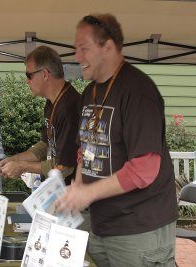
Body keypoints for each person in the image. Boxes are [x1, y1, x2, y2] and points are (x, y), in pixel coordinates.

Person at [55, 14, 178, 266]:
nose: (77, 57)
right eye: (76, 49)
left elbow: (144, 169)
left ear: (107, 47)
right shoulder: (90, 92)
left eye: (84, 49)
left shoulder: (138, 91)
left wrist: (87, 194)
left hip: (139, 229)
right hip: (102, 225)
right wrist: (78, 186)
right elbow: (85, 150)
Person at [0, 45, 80, 184]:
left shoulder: (69, 108)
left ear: (45, 74)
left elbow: (65, 166)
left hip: (71, 195)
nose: (27, 80)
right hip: (56, 192)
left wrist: (23, 167)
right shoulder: (52, 102)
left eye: (29, 75)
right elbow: (45, 145)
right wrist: (15, 159)